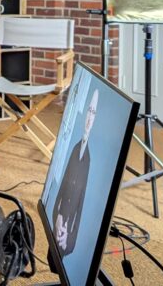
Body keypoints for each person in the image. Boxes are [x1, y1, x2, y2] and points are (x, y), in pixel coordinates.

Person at [52, 89, 98, 257]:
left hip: (68, 225)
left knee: (61, 251)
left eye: (94, 112)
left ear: (95, 119)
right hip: (60, 217)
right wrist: (56, 216)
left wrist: (69, 240)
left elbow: (81, 204)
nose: (90, 116)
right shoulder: (75, 148)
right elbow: (63, 186)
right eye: (89, 111)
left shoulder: (88, 159)